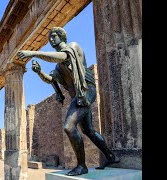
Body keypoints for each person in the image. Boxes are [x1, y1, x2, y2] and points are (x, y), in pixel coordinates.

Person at [17, 27, 119, 176]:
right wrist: (39, 72)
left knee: (69, 127)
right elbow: (52, 79)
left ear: (62, 37)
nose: (51, 39)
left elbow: (61, 57)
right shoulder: (59, 66)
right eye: (49, 38)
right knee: (88, 130)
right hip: (79, 96)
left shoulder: (73, 47)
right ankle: (111, 156)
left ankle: (82, 165)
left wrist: (33, 53)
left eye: (54, 36)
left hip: (85, 92)